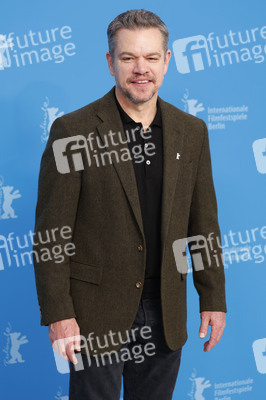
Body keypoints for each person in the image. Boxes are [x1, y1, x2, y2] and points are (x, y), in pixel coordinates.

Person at [33, 9, 227, 400]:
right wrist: (59, 314)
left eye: (152, 58)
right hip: (94, 316)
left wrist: (213, 297)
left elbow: (203, 223)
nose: (142, 69)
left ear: (167, 61)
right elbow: (52, 233)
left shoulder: (192, 133)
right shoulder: (74, 131)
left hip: (166, 313)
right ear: (110, 63)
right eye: (128, 58)